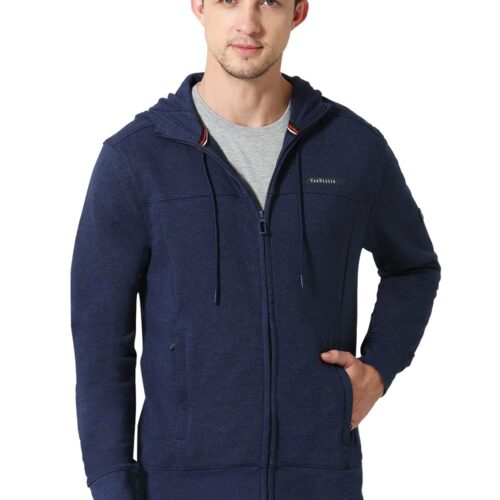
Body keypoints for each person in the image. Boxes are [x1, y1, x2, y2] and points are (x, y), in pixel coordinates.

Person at [70, 1, 441, 499]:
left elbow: (413, 267)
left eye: (269, 1)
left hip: (320, 481)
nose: (248, 22)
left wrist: (379, 367)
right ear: (199, 5)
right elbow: (100, 339)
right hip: (179, 484)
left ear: (298, 12)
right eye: (229, 0)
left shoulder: (353, 148)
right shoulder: (137, 159)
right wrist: (112, 484)